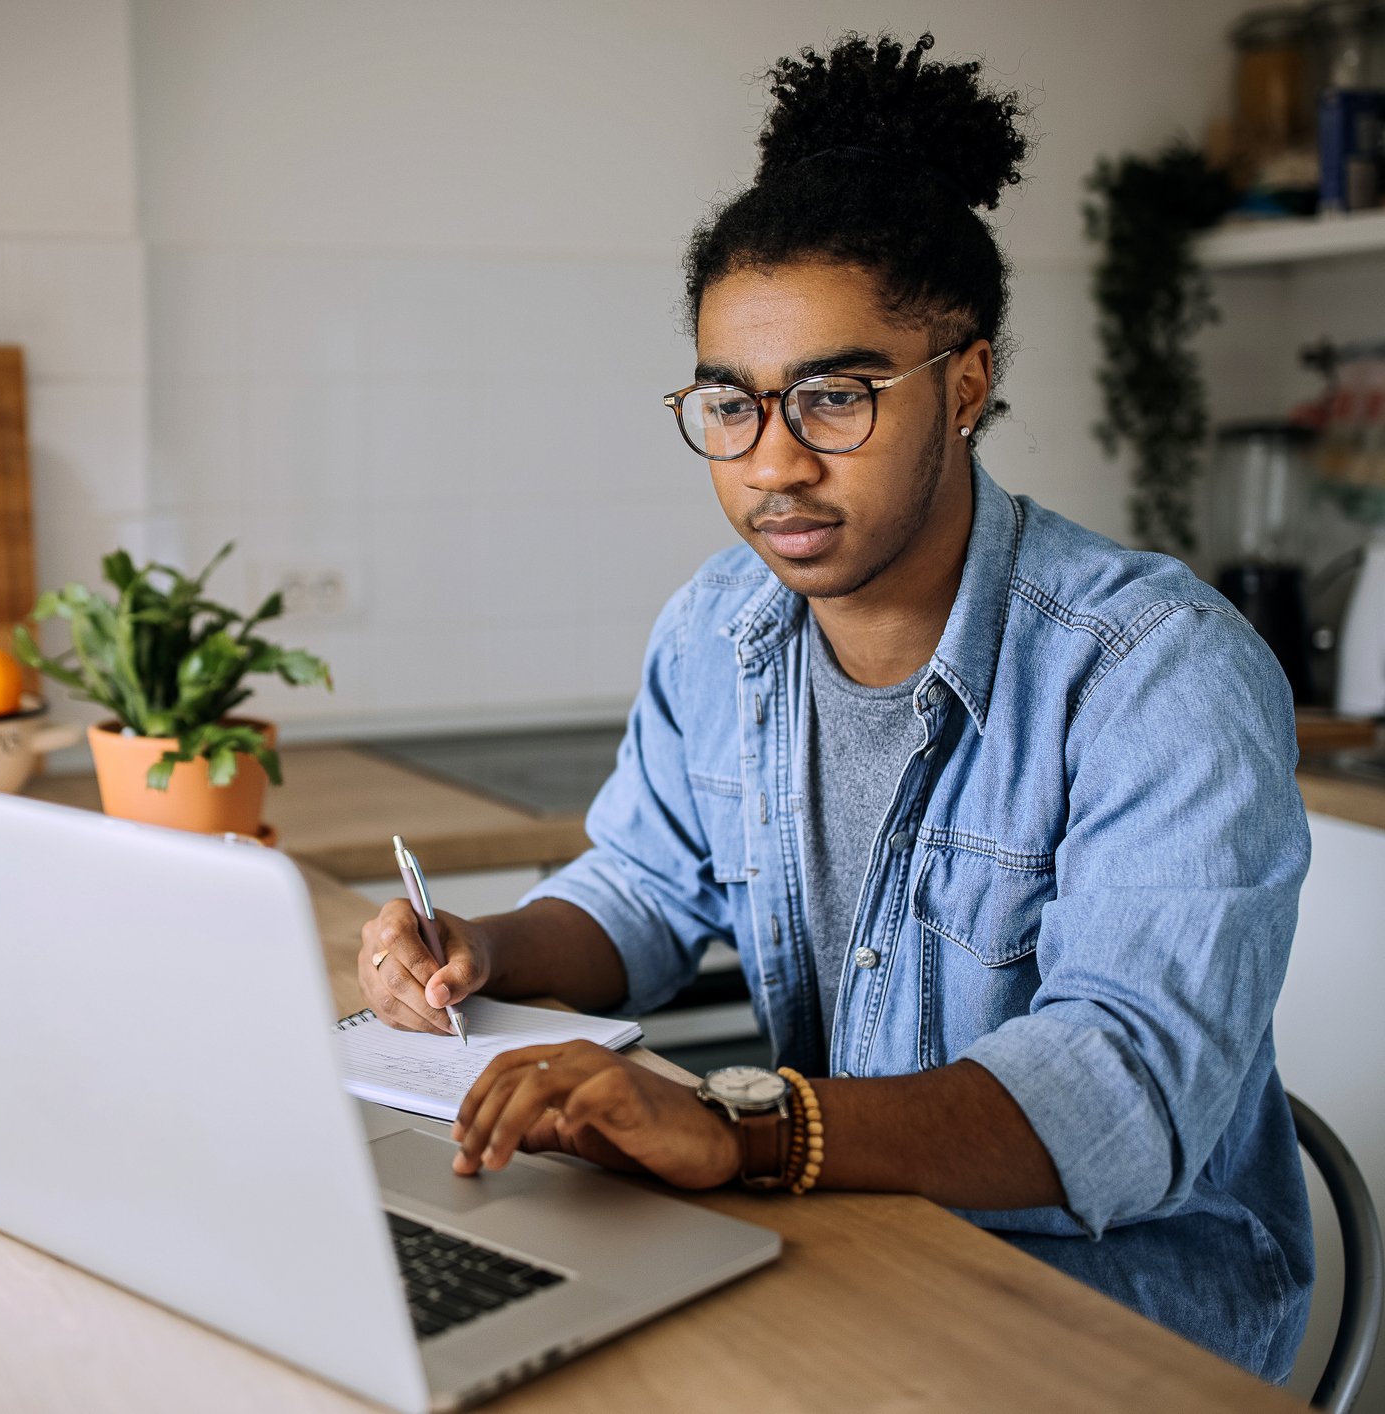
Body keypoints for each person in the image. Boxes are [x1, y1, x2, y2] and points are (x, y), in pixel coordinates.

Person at [357, 32, 1313, 1383]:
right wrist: (485, 947)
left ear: (965, 386)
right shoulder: (720, 626)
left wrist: (753, 1127)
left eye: (836, 397)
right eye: (730, 407)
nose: (774, 466)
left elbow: (1123, 1095)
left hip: (1118, 1316)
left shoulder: (1156, 669)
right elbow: (638, 890)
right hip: (845, 1240)